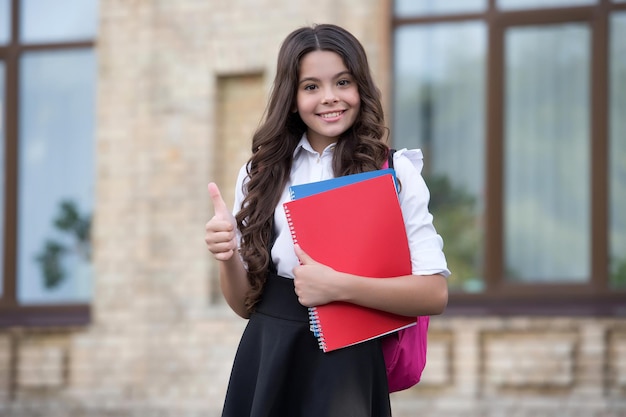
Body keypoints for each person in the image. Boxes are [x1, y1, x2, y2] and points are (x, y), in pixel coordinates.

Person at [205, 23, 450, 417]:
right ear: (291, 96)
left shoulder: (394, 171)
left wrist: (339, 287)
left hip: (348, 362)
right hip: (268, 355)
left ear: (361, 88)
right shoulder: (261, 173)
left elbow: (434, 294)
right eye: (311, 86)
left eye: (343, 82)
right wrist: (226, 254)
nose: (330, 98)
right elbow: (243, 304)